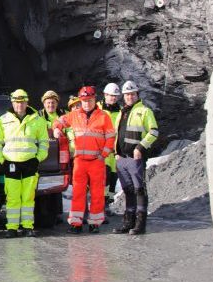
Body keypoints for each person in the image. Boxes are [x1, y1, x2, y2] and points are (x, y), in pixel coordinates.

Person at [55, 86, 116, 233]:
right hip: (80, 162)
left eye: (89, 100)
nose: (86, 103)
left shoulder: (104, 116)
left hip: (96, 162)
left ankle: (94, 224)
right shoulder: (74, 115)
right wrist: (56, 128)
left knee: (97, 194)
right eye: (84, 101)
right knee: (78, 193)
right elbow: (59, 121)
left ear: (94, 99)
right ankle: (76, 224)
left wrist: (103, 155)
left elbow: (110, 138)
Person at [0, 89, 50, 237]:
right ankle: (12, 228)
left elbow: (44, 142)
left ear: (27, 102)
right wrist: (1, 160)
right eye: (17, 102)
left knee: (28, 197)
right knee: (12, 197)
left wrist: (38, 158)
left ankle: (27, 227)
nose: (20, 105)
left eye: (22, 102)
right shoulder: (3, 120)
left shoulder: (38, 120)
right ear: (12, 103)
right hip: (11, 163)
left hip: (30, 163)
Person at [113, 80, 160, 235]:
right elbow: (117, 135)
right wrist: (116, 153)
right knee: (128, 190)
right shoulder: (122, 112)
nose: (129, 97)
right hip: (122, 159)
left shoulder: (145, 111)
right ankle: (128, 222)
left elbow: (154, 132)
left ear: (137, 95)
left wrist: (140, 147)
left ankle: (140, 224)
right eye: (127, 95)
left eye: (132, 94)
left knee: (139, 189)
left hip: (135, 158)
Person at [102, 83, 122, 213]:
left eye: (115, 96)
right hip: (102, 149)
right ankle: (101, 203)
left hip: (115, 150)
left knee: (113, 178)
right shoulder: (97, 108)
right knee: (104, 177)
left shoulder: (121, 111)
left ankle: (108, 202)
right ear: (105, 95)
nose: (113, 98)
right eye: (110, 95)